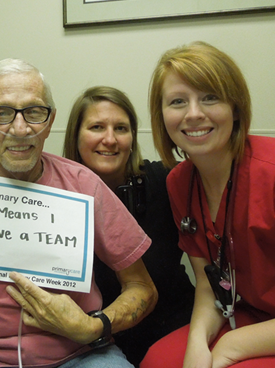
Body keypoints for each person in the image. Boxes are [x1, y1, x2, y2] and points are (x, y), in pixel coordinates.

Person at [0, 58, 158, 368]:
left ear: (49, 122)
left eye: (34, 112)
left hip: (80, 354)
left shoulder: (85, 187)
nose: (20, 129)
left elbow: (142, 288)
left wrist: (92, 326)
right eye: (1, 113)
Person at [140, 41, 275, 368]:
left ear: (235, 106)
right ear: (162, 116)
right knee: (158, 361)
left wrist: (234, 345)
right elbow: (208, 283)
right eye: (177, 101)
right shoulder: (179, 183)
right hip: (255, 316)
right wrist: (197, 344)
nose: (193, 114)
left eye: (209, 97)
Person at [63, 86, 194, 365]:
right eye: (97, 127)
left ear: (132, 138)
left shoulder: (164, 181)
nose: (109, 139)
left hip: (174, 330)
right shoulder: (55, 198)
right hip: (94, 347)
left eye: (121, 128)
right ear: (75, 137)